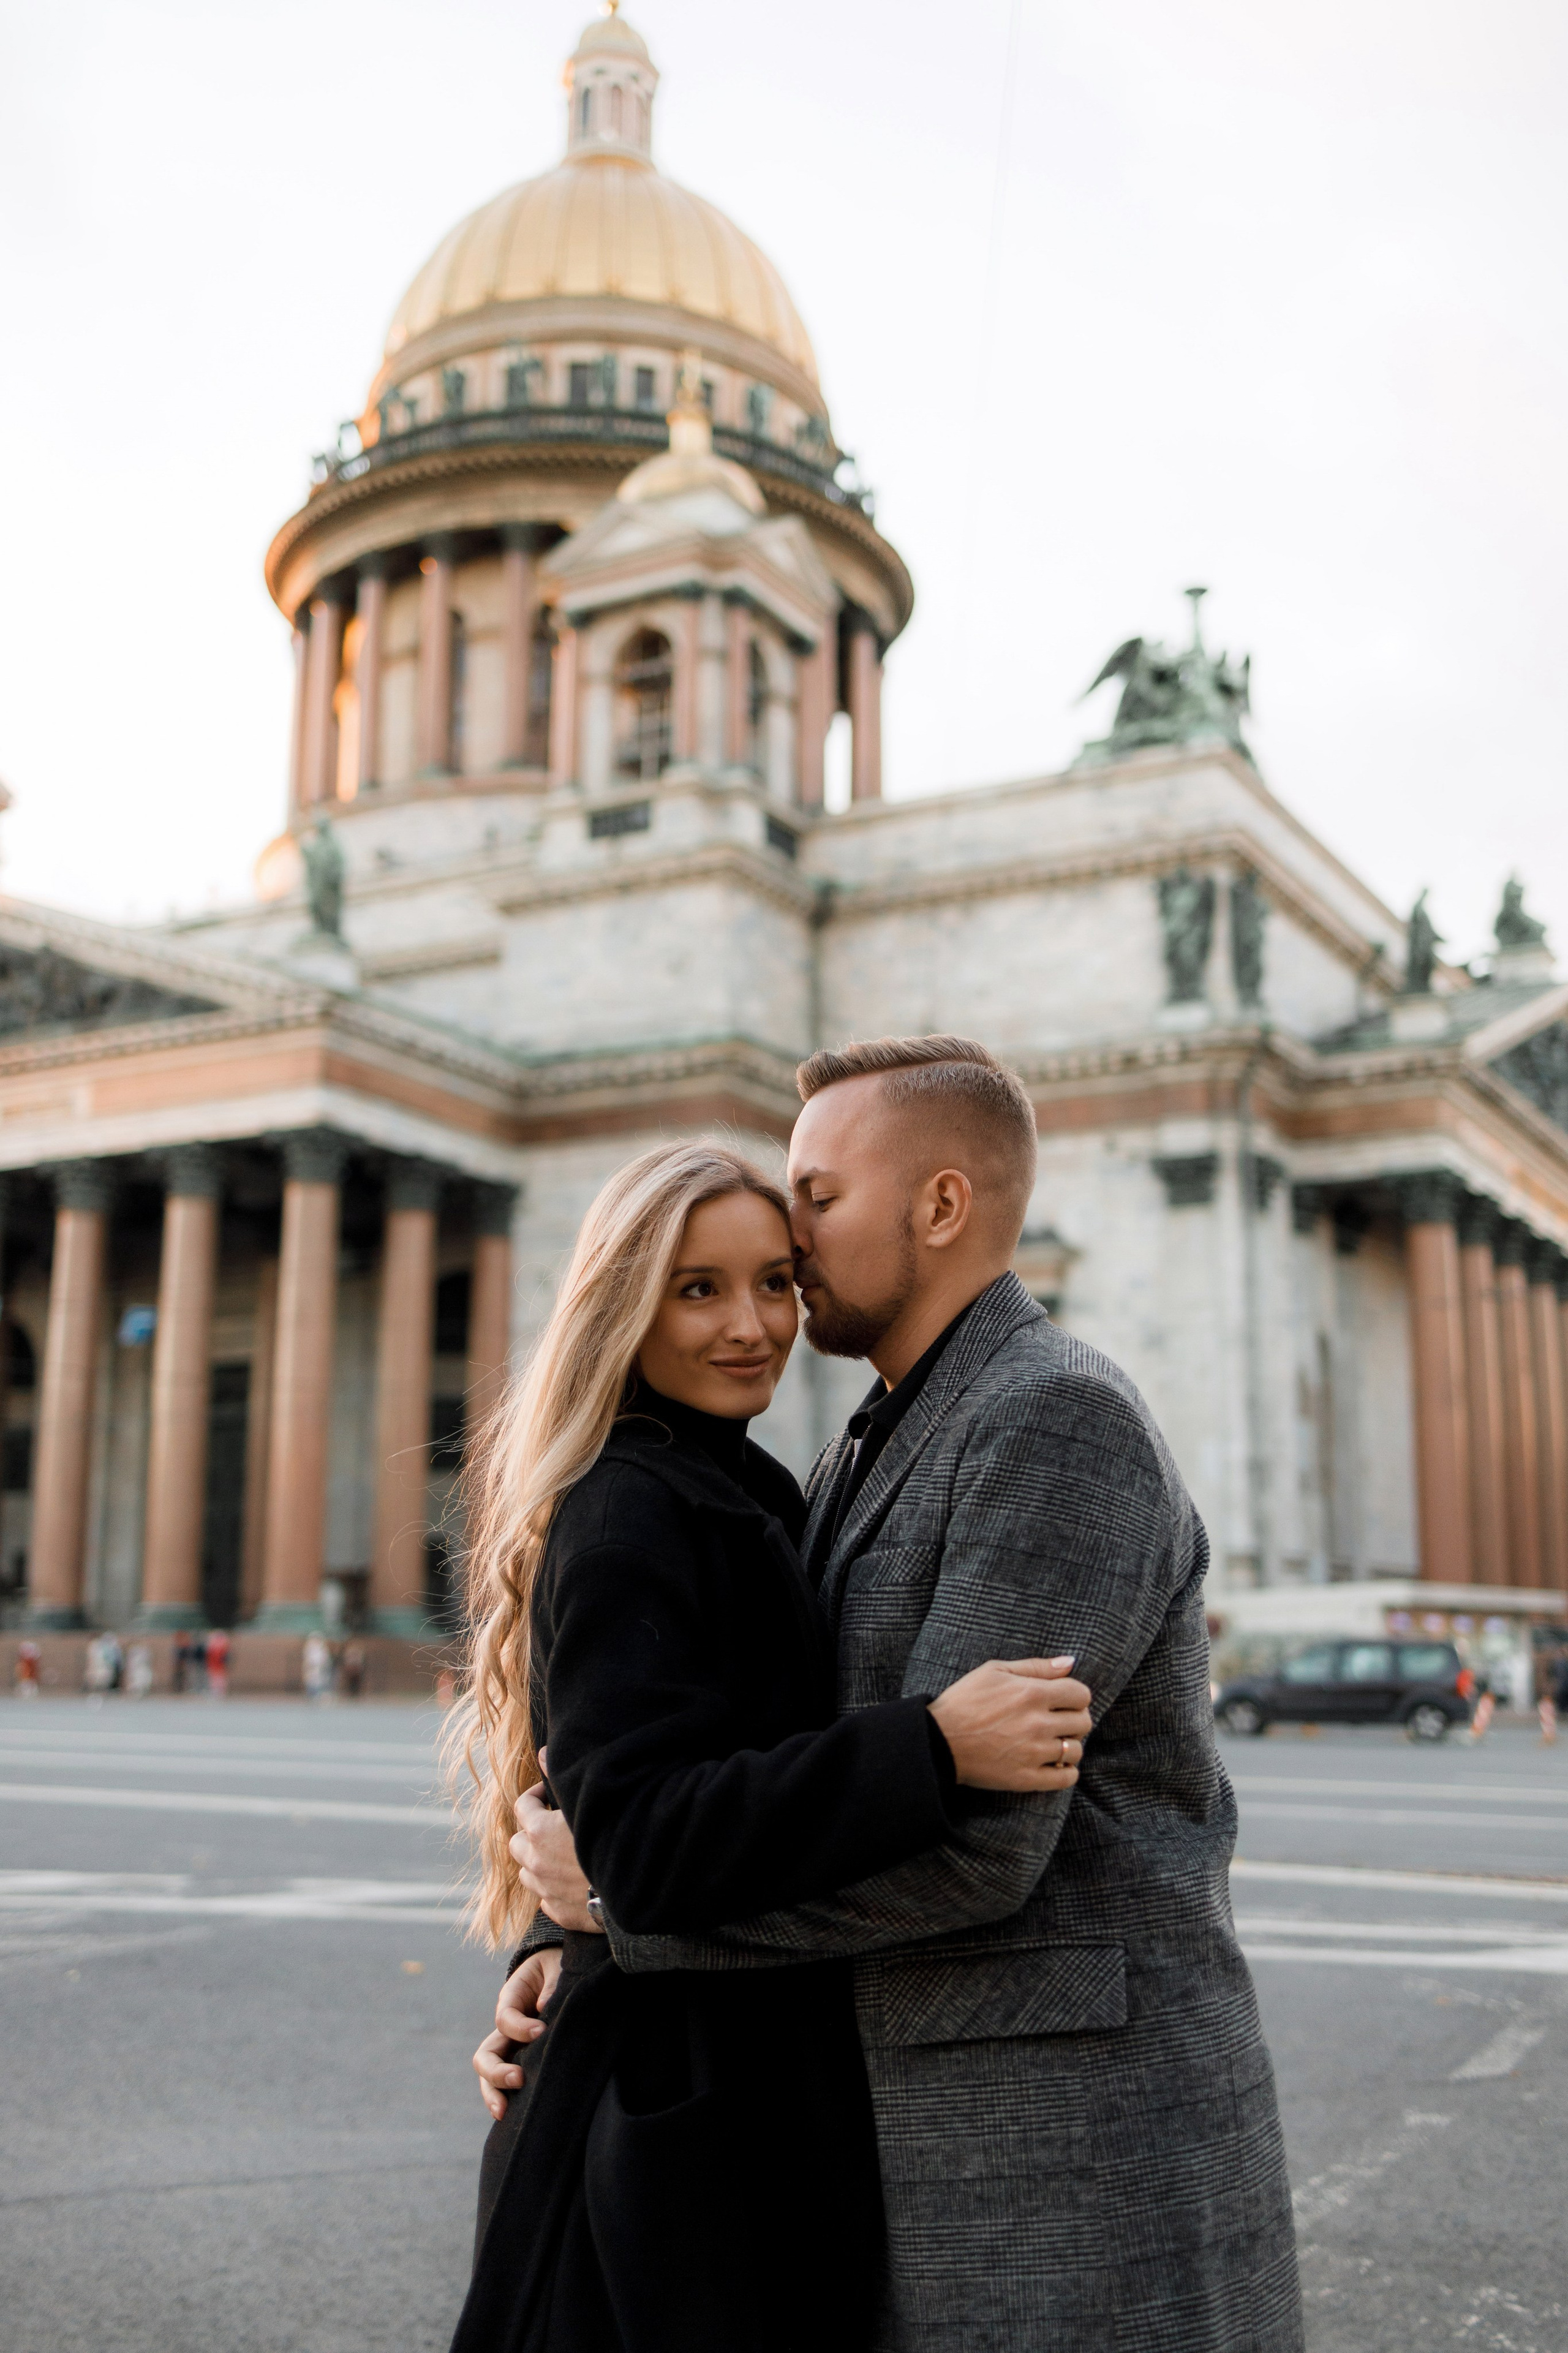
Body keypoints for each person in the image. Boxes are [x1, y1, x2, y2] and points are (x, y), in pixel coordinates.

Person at [493, 1035, 1305, 2352]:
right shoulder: (850, 1449)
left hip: (1057, 2149)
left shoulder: (1051, 1420)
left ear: (938, 1205)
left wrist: (622, 1917)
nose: (793, 1241)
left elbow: (978, 1850)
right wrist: (559, 1940)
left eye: (815, 1198)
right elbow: (672, 1735)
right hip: (906, 2137)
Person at [449, 1139, 1091, 2353]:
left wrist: (552, 1934)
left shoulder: (738, 1482)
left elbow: (599, 1784)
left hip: (713, 2080)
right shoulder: (634, 1507)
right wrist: (932, 1746)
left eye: (775, 1282)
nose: (751, 1326)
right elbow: (639, 1837)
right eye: (697, 1288)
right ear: (623, 1304)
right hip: (669, 2117)